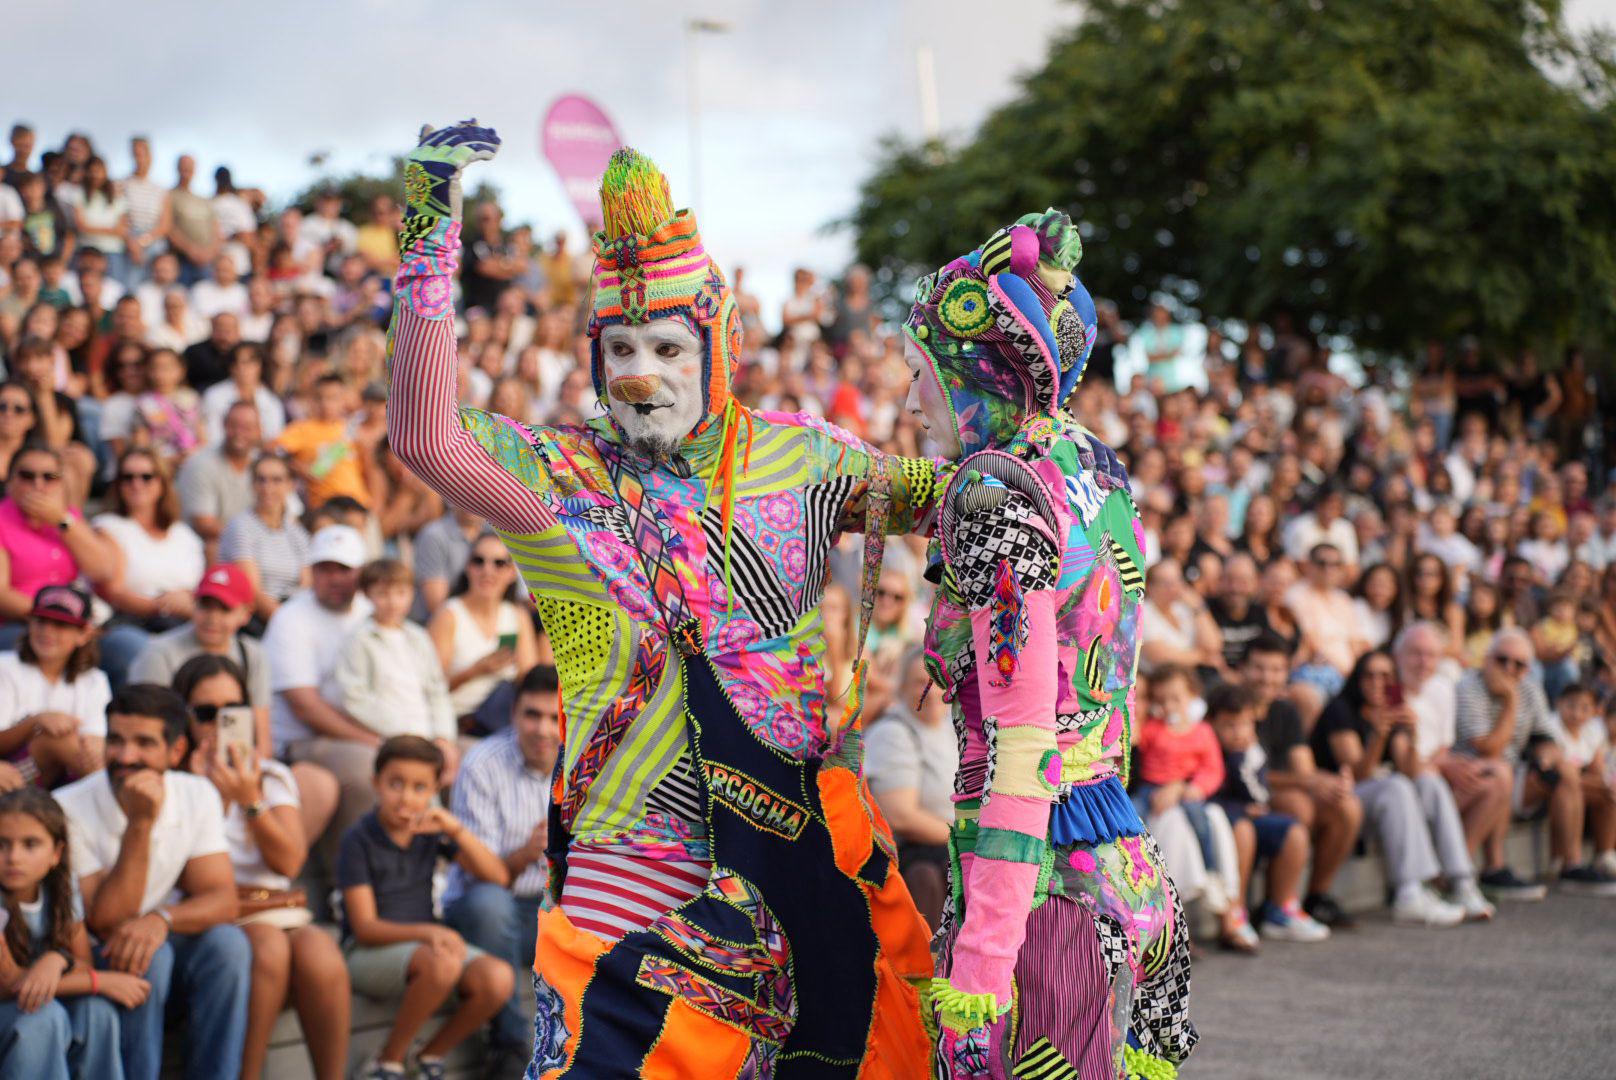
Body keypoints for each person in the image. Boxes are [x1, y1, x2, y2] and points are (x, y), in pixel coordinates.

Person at [388, 128, 937, 1075]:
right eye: (622, 346)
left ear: (717, 346)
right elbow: (428, 437)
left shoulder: (803, 458)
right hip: (629, 842)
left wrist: (1033, 443)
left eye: (668, 345)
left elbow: (941, 499)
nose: (641, 371)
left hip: (793, 841)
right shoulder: (559, 473)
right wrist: (427, 225)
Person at [903, 210, 1195, 1076]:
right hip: (1119, 855)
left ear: (971, 380)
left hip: (1041, 887)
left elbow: (1023, 742)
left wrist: (986, 957)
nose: (910, 400)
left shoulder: (994, 499)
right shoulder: (1086, 460)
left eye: (920, 374)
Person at [56, 684, 251, 1080]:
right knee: (147, 953)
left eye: (144, 743)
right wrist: (140, 823)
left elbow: (223, 900)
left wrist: (161, 918)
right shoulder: (67, 806)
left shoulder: (197, 793)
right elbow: (106, 922)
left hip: (157, 947)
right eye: (116, 740)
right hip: (94, 960)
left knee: (228, 944)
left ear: (175, 751)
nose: (125, 757)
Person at [173, 654, 350, 1080]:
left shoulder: (268, 776)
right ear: (185, 717)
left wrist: (249, 799)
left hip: (272, 909)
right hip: (210, 917)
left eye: (231, 712)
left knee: (320, 950)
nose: (218, 723)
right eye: (205, 712)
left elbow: (289, 860)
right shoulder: (174, 782)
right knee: (269, 947)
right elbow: (178, 871)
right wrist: (208, 796)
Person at [336, 736, 513, 1080]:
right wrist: (430, 931)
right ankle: (387, 1061)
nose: (406, 798)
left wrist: (454, 829)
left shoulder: (430, 833)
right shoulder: (358, 839)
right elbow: (365, 927)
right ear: (376, 783)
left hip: (425, 952)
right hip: (367, 952)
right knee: (443, 962)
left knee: (498, 978)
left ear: (433, 791)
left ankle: (428, 1055)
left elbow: (498, 876)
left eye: (419, 788)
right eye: (395, 784)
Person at [1310, 651, 1489, 925]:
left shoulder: (1394, 707)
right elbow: (1358, 773)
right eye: (1368, 675)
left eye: (1385, 676)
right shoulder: (1341, 709)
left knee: (1429, 781)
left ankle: (1462, 882)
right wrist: (1378, 736)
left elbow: (1411, 769)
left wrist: (1413, 735)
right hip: (1344, 798)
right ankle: (1409, 892)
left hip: (1388, 797)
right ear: (1357, 678)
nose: (1376, 682)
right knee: (1396, 786)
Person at [442, 664, 559, 1073]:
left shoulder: (583, 766)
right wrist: (529, 851)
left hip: (548, 912)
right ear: (513, 713)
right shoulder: (482, 764)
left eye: (553, 716)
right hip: (481, 909)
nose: (543, 729)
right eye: (532, 714)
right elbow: (485, 876)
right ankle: (511, 1047)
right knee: (490, 904)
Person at [1454, 629, 1616, 896]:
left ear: (1528, 668)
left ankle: (1573, 863)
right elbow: (1489, 750)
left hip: (1514, 772)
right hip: (1476, 773)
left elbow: (1545, 736)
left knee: (1565, 769)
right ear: (1487, 658)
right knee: (1504, 772)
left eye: (1519, 664)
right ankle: (1494, 867)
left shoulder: (1530, 688)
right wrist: (1510, 700)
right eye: (1502, 660)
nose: (1509, 668)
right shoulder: (1469, 687)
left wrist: (1548, 754)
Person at [0, 787, 142, 1080]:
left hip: (30, 1002)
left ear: (56, 853)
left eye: (30, 844)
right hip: (11, 1009)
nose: (13, 857)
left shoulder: (60, 891)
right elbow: (10, 984)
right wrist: (98, 981)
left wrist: (57, 960)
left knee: (95, 1012)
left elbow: (82, 961)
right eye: (1, 844)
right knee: (42, 1018)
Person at [263, 525, 374, 870]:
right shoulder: (290, 618)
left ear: (360, 573)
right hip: (301, 740)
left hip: (358, 727)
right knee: (368, 766)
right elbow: (305, 706)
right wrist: (376, 740)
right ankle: (348, 878)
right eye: (325, 568)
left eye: (344, 569)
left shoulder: (370, 610)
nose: (334, 578)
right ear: (311, 572)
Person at [1243, 632, 1364, 929]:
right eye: (1259, 668)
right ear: (1243, 668)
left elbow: (1304, 768)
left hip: (1275, 790)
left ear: (1286, 673)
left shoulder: (1285, 710)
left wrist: (1329, 782)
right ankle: (1277, 905)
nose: (1267, 678)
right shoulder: (1230, 706)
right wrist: (1307, 782)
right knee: (1300, 804)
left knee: (1346, 805)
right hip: (1243, 794)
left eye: (1275, 670)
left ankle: (1316, 897)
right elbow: (1242, 774)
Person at [1392, 622, 1516, 892]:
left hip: (1434, 771)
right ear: (1398, 656)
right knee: (1431, 779)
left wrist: (1448, 766)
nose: (1423, 662)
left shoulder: (1442, 687)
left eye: (1431, 655)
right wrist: (1441, 766)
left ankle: (1453, 873)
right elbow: (1402, 762)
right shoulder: (1390, 691)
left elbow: (1442, 747)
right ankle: (1458, 877)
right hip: (1406, 779)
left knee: (1499, 775)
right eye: (1416, 653)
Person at [1132, 665, 1250, 947]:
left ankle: (1225, 904)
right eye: (1160, 700)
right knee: (1142, 824)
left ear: (1191, 696)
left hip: (1188, 795)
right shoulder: (1152, 729)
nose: (1168, 706)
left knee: (1209, 818)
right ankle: (1174, 927)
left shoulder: (1201, 731)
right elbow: (1139, 748)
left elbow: (1211, 768)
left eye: (1176, 698)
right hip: (1153, 794)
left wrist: (1191, 787)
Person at [1205, 682, 1329, 948]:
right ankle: (1235, 911)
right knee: (1244, 831)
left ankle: (1281, 908)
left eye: (1244, 724)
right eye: (1229, 725)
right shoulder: (1208, 749)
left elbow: (1260, 790)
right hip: (1224, 818)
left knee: (1293, 831)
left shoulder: (1253, 751)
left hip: (1251, 815)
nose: (1238, 733)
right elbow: (1212, 792)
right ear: (1212, 722)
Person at [333, 559, 458, 777]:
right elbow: (355, 697)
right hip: (392, 736)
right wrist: (402, 731)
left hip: (427, 732)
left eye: (401, 593)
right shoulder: (359, 640)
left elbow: (436, 690)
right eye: (382, 594)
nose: (392, 602)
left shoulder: (419, 637)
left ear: (411, 593)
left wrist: (443, 736)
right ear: (367, 594)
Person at [92, 449, 206, 688]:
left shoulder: (184, 535)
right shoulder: (108, 526)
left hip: (183, 620)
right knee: (143, 652)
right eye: (128, 477)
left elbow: (200, 590)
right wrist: (161, 605)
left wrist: (186, 604)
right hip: (126, 622)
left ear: (162, 482)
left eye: (146, 476)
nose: (136, 484)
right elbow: (113, 591)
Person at [864, 647, 957, 933]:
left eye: (937, 681)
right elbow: (901, 816)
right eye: (920, 682)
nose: (930, 690)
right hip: (910, 855)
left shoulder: (950, 726)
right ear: (901, 687)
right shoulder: (892, 732)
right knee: (930, 877)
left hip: (948, 846)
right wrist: (966, 838)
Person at [0, 444, 116, 651]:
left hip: (75, 622)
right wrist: (60, 619)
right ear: (10, 481)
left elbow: (103, 571)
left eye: (49, 477)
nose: (38, 484)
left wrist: (62, 521)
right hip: (21, 624)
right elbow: (2, 595)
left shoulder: (66, 516)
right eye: (27, 476)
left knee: (125, 645)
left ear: (61, 483)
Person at [0, 586, 108, 786]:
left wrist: (93, 744)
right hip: (14, 777)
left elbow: (95, 741)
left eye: (60, 625)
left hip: (70, 781)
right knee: (56, 741)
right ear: (30, 624)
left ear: (84, 634)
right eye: (40, 621)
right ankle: (114, 800)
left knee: (92, 752)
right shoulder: (5, 667)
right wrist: (35, 723)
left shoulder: (94, 680)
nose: (47, 631)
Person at [428, 532, 535, 732]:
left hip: (505, 721)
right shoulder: (449, 616)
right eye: (479, 561)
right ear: (468, 567)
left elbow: (529, 681)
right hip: (457, 723)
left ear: (512, 572)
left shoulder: (517, 616)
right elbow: (431, 690)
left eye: (499, 563)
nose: (487, 570)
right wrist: (475, 671)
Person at [219, 451, 309, 622]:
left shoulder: (297, 533)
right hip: (257, 617)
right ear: (252, 485)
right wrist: (289, 624)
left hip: (292, 611)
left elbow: (307, 584)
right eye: (261, 480)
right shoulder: (240, 527)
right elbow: (253, 592)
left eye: (277, 480)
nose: (268, 488)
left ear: (290, 485)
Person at [273, 373, 377, 509]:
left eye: (332, 398)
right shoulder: (302, 429)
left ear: (343, 400)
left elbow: (370, 472)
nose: (325, 403)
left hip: (358, 504)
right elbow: (273, 451)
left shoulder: (354, 430)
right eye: (319, 398)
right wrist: (299, 468)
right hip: (325, 508)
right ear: (311, 400)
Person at [176, 399, 260, 560]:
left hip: (253, 544)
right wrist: (249, 542)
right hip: (205, 546)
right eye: (234, 425)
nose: (239, 432)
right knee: (213, 546)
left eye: (247, 427)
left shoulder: (263, 464)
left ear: (259, 430)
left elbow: (287, 513)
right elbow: (204, 524)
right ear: (223, 425)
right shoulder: (201, 463)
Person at [1552, 683, 1616, 878]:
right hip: (1553, 785)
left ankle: (1604, 855)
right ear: (1559, 704)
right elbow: (1563, 774)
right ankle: (1572, 863)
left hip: (1577, 783)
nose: (1577, 714)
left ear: (1594, 710)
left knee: (1608, 793)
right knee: (1576, 788)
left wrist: (1606, 785)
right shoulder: (1551, 726)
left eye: (1585, 708)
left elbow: (1598, 772)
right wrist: (1606, 784)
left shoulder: (1592, 731)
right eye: (1571, 706)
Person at [200, 343, 284, 446]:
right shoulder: (214, 395)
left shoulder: (272, 402)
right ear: (231, 367)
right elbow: (212, 437)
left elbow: (274, 440)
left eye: (249, 362)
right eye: (237, 362)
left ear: (260, 365)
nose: (242, 367)